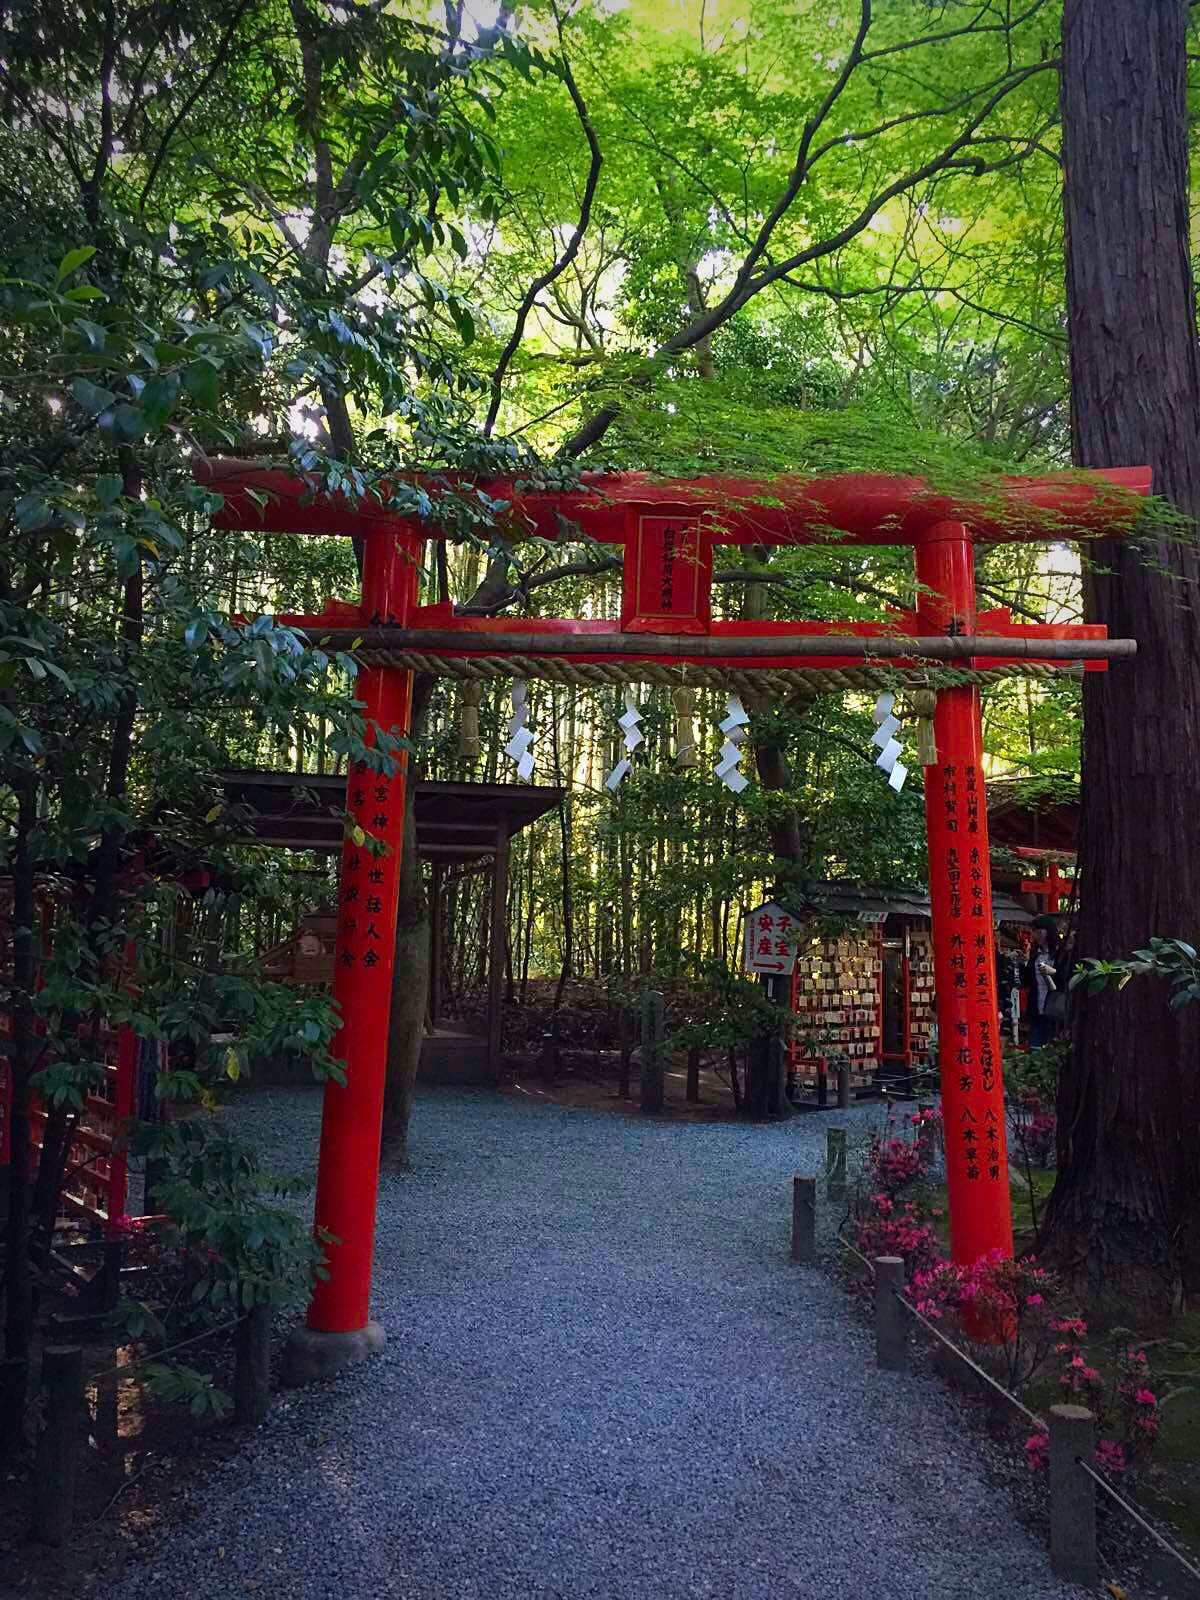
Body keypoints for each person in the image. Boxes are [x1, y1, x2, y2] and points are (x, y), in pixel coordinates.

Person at [1023, 913, 1062, 1049]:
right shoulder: (1036, 955)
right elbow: (1027, 981)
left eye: (1039, 932)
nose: (1036, 936)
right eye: (1034, 932)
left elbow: (1066, 977)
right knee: (1035, 1047)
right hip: (1037, 1008)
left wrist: (1054, 972)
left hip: (1055, 1008)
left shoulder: (1061, 953)